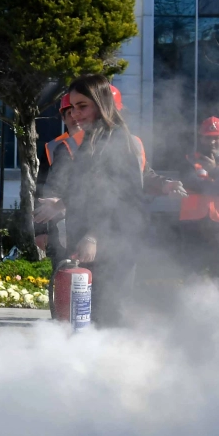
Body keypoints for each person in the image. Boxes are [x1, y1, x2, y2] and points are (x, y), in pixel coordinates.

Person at [34, 74, 145, 328]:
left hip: (115, 243)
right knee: (86, 319)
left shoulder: (117, 140)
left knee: (108, 319)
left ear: (101, 103)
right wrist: (60, 205)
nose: (75, 114)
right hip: (91, 241)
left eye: (82, 106)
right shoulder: (91, 140)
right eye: (72, 108)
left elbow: (120, 197)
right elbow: (89, 188)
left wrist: (94, 236)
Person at [179, 115, 219, 284]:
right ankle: (189, 306)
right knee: (191, 275)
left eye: (216, 138)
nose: (212, 142)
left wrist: (214, 170)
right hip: (193, 223)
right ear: (201, 138)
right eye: (208, 138)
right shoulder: (189, 160)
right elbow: (191, 182)